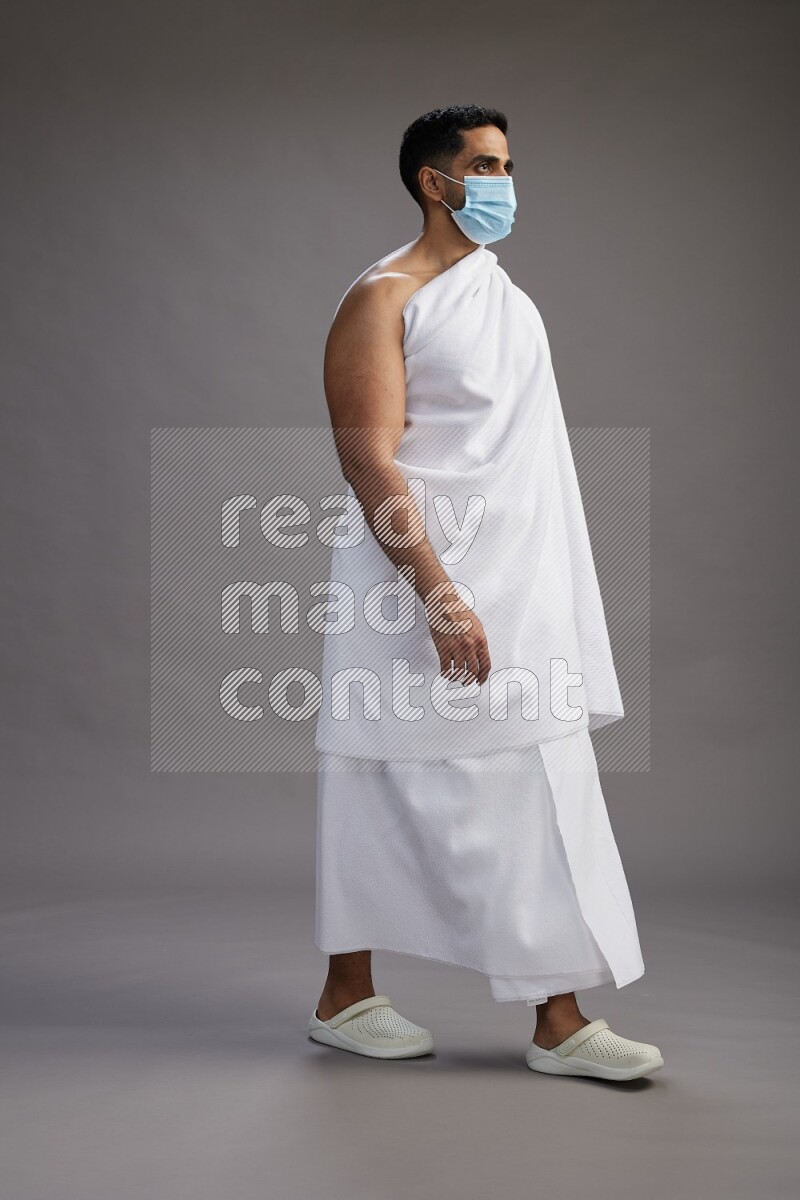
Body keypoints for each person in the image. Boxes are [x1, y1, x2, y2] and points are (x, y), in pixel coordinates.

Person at [307, 105, 663, 1081]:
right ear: (435, 181)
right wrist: (437, 594)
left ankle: (557, 1019)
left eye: (507, 164)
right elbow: (367, 460)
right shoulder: (382, 299)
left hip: (522, 582)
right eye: (486, 165)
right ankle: (345, 997)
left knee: (536, 781)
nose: (505, 182)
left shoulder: (503, 298)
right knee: (380, 773)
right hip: (412, 581)